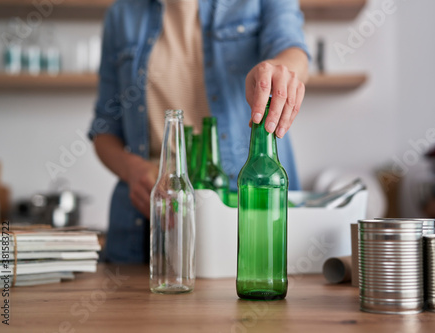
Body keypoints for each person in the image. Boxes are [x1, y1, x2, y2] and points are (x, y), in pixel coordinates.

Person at [88, 0, 310, 263]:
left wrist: (278, 72)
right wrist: (132, 169)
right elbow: (104, 130)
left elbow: (292, 49)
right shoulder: (121, 14)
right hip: (149, 224)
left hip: (245, 216)